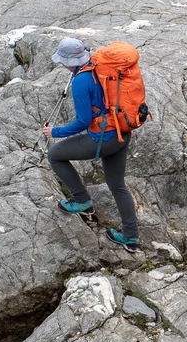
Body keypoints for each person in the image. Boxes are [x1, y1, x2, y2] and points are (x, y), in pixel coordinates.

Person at [45, 37, 139, 249]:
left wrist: (55, 132)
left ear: (69, 61)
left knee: (55, 155)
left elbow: (83, 121)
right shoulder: (99, 66)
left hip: (103, 139)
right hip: (121, 132)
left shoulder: (80, 81)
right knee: (118, 186)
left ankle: (82, 201)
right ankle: (131, 237)